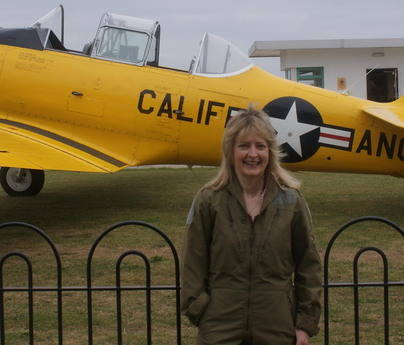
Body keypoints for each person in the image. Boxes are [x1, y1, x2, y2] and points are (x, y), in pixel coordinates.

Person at [181, 107, 322, 345]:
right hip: (219, 327)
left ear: (270, 151)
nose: (253, 154)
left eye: (260, 146)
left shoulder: (291, 201)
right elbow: (193, 261)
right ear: (230, 151)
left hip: (277, 326)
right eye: (243, 145)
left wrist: (305, 325)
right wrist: (200, 309)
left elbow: (309, 265)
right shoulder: (208, 200)